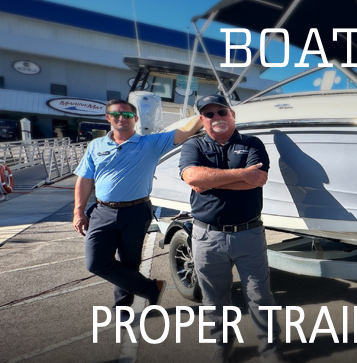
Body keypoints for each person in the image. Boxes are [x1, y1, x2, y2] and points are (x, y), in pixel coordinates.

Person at [178, 95, 285, 363]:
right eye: (209, 114)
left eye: (221, 112)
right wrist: (240, 174)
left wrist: (210, 180)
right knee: (214, 296)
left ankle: (270, 349)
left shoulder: (251, 143)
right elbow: (191, 176)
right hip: (206, 235)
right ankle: (222, 344)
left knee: (260, 295)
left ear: (232, 114)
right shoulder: (194, 145)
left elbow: (257, 179)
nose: (216, 118)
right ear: (202, 120)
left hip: (248, 233)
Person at [73, 99, 203, 319]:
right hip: (103, 211)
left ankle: (122, 307)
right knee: (96, 262)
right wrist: (79, 211)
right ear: (108, 118)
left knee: (129, 261)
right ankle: (150, 288)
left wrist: (207, 115)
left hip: (136, 211)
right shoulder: (96, 145)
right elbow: (85, 179)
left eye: (127, 114)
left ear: (135, 119)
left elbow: (185, 132)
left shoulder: (150, 143)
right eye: (116, 115)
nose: (122, 118)